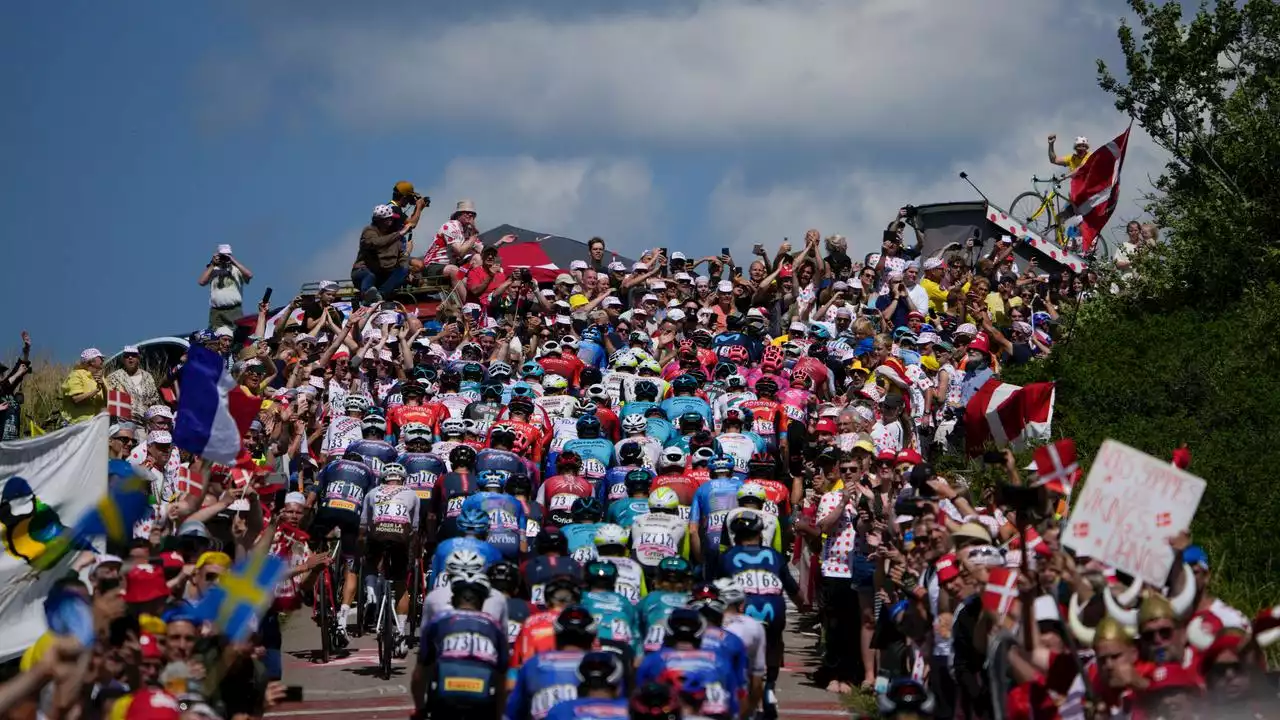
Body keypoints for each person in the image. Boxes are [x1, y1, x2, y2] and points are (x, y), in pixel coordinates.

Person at [413, 571, 508, 719]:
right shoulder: (494, 625)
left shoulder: (438, 621)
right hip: (482, 702)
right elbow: (502, 679)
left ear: (453, 599)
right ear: (482, 601)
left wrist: (419, 709)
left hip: (444, 700)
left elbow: (420, 673)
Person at [352, 203, 416, 302]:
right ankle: (367, 296)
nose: (393, 221)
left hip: (381, 274)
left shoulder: (395, 238)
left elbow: (399, 261)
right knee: (370, 275)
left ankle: (380, 295)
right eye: (390, 218)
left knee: (403, 270)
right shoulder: (369, 231)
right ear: (382, 221)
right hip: (364, 271)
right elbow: (377, 243)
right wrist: (400, 233)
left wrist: (407, 253)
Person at [197, 243, 253, 331]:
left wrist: (233, 260)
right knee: (215, 337)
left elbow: (249, 275)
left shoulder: (236, 269)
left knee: (237, 336)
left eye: (228, 255)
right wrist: (212, 264)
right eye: (222, 255)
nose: (225, 258)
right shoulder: (212, 270)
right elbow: (201, 282)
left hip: (234, 310)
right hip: (217, 312)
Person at [106, 345, 159, 420]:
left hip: (146, 420)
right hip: (124, 422)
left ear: (138, 358)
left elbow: (155, 397)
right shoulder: (115, 377)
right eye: (127, 356)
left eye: (133, 355)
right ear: (123, 360)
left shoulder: (147, 376)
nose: (130, 358)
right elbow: (110, 401)